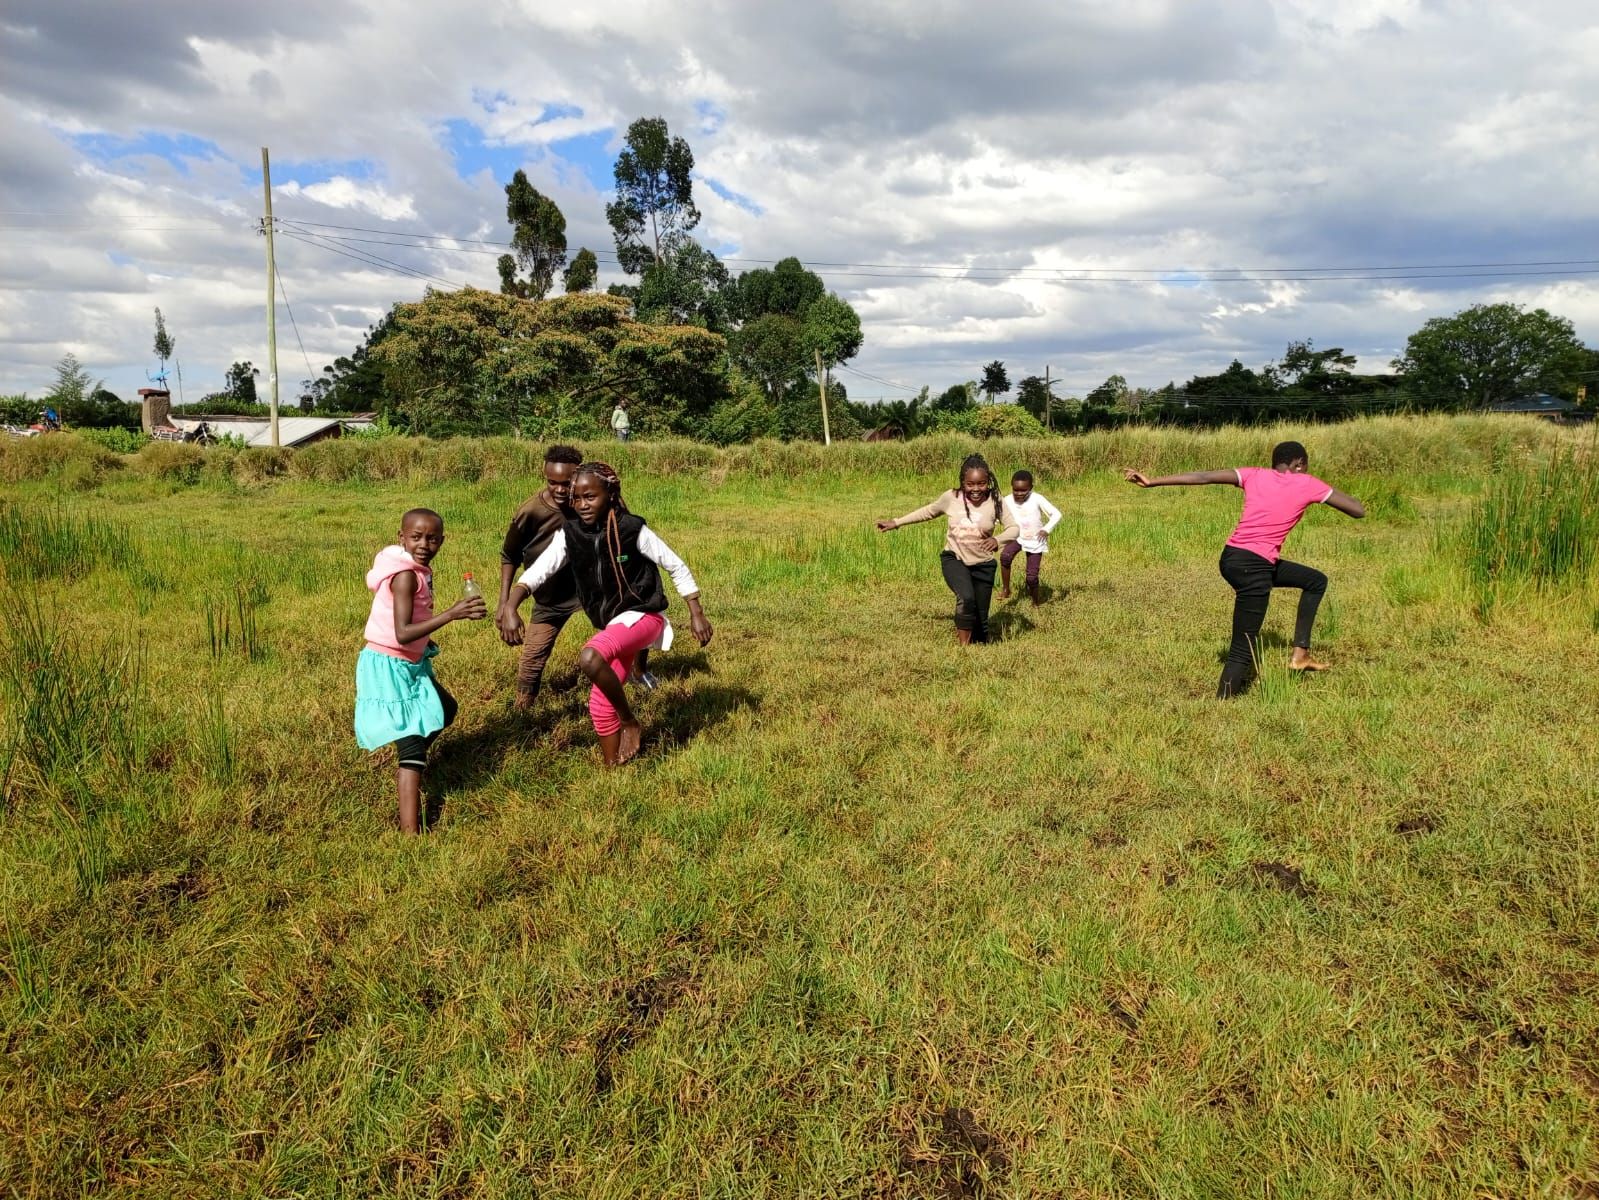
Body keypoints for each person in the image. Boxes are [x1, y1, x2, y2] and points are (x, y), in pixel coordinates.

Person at [505, 463, 711, 765]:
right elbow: (540, 570)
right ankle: (613, 768)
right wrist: (511, 605)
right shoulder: (570, 534)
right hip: (613, 625)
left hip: (644, 617)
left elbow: (675, 565)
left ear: (610, 495)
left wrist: (696, 612)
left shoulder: (632, 529)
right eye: (577, 499)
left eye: (591, 497)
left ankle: (629, 721)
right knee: (599, 703)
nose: (582, 505)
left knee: (591, 656)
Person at [1123, 440, 1365, 697]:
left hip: (1232, 559)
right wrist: (1321, 488)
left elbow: (1204, 476)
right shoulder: (1307, 483)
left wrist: (1152, 481)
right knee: (1243, 646)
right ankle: (1222, 704)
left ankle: (1301, 654)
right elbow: (1358, 511)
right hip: (1254, 567)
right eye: (1304, 467)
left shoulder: (1254, 474)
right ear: (1300, 464)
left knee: (1315, 580)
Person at [354, 508, 487, 832]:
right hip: (390, 666)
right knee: (413, 748)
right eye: (416, 537)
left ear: (442, 540)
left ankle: (408, 760)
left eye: (431, 538)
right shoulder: (405, 576)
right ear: (402, 538)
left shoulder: (419, 570)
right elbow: (402, 632)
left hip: (409, 662)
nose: (424, 544)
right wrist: (451, 614)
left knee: (446, 708)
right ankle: (411, 834)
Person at [875, 453, 1019, 645]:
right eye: (970, 484)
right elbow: (929, 511)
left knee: (981, 626)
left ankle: (977, 642)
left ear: (988, 481)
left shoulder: (995, 500)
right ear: (963, 482)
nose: (976, 489)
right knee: (966, 598)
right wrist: (896, 522)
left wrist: (998, 539)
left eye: (981, 484)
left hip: (983, 564)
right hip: (955, 559)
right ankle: (963, 650)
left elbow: (1015, 528)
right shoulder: (951, 497)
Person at [999, 469, 1062, 607]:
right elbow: (998, 516)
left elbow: (1057, 514)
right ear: (1012, 487)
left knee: (1031, 577)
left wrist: (1046, 529)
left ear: (1031, 488)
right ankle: (1006, 589)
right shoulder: (1007, 500)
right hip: (1017, 536)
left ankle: (1035, 602)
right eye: (1016, 490)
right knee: (1005, 556)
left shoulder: (1037, 498)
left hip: (1035, 540)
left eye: (1023, 490)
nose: (1019, 494)